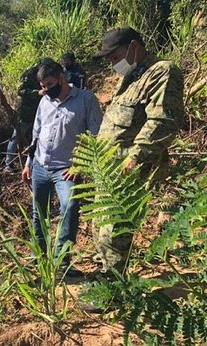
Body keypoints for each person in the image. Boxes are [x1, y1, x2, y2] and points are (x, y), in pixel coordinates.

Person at [90, 26, 184, 274]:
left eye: (114, 56)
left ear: (134, 46)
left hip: (127, 168)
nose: (112, 63)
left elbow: (162, 120)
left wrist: (135, 158)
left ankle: (112, 286)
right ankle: (103, 273)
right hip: (108, 168)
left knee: (115, 227)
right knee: (99, 223)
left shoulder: (161, 71)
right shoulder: (129, 77)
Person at [21, 58, 103, 277]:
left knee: (70, 207)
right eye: (43, 86)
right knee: (39, 213)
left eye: (49, 84)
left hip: (66, 169)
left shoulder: (86, 100)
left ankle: (62, 260)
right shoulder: (45, 101)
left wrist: (80, 164)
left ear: (61, 77)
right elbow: (36, 134)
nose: (46, 90)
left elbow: (96, 135)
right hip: (40, 165)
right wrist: (29, 163)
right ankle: (38, 255)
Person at [5, 62, 44, 173]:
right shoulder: (30, 74)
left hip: (41, 112)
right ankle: (8, 163)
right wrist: (37, 93)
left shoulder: (47, 74)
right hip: (27, 112)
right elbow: (20, 91)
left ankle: (35, 164)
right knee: (17, 135)